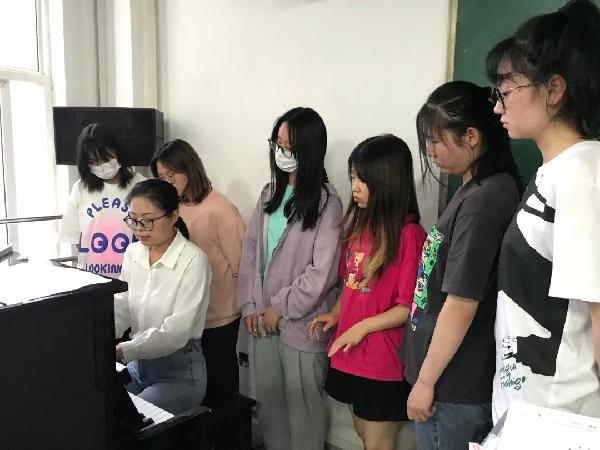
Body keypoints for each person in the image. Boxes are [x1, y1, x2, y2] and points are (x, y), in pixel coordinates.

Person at [486, 0, 600, 423]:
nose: (497, 107)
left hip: (559, 415)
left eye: (506, 91)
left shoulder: (582, 176)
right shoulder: (554, 171)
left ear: (553, 90)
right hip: (528, 405)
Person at [399, 81, 522, 450]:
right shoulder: (475, 189)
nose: (429, 151)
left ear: (471, 137)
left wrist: (426, 382)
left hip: (452, 387)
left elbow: (462, 303)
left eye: (435, 141)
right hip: (447, 382)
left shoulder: (484, 200)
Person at [308, 134, 426, 450]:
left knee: (377, 443)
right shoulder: (360, 228)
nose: (354, 187)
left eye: (362, 179)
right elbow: (351, 284)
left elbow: (407, 308)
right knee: (362, 430)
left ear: (387, 181)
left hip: (382, 361)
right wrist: (336, 314)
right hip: (350, 352)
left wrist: (361, 327)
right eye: (352, 177)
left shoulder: (409, 236)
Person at [237, 107, 343, 450]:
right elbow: (251, 251)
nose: (281, 152)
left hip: (301, 325)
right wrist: (250, 305)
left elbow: (321, 273)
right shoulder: (268, 193)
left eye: (289, 147)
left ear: (309, 150)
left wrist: (279, 308)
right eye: (277, 144)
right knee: (270, 407)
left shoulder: (327, 203)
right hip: (262, 321)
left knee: (304, 413)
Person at [151, 139, 245, 408]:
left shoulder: (219, 208)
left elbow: (240, 266)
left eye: (172, 175)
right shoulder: (170, 209)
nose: (167, 182)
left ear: (189, 169)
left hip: (217, 317)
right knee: (189, 393)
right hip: (183, 316)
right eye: (161, 177)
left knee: (220, 390)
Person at [114, 179, 211, 414]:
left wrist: (124, 351)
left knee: (134, 420)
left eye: (148, 220)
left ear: (173, 216)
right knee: (105, 413)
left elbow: (176, 332)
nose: (139, 228)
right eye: (133, 219)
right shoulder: (133, 253)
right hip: (137, 368)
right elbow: (121, 308)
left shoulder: (193, 260)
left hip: (178, 373)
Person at [59, 123, 145, 278]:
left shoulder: (142, 186)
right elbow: (75, 237)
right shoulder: (81, 188)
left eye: (106, 158)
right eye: (94, 161)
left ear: (118, 152)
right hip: (92, 278)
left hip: (132, 276)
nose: (101, 166)